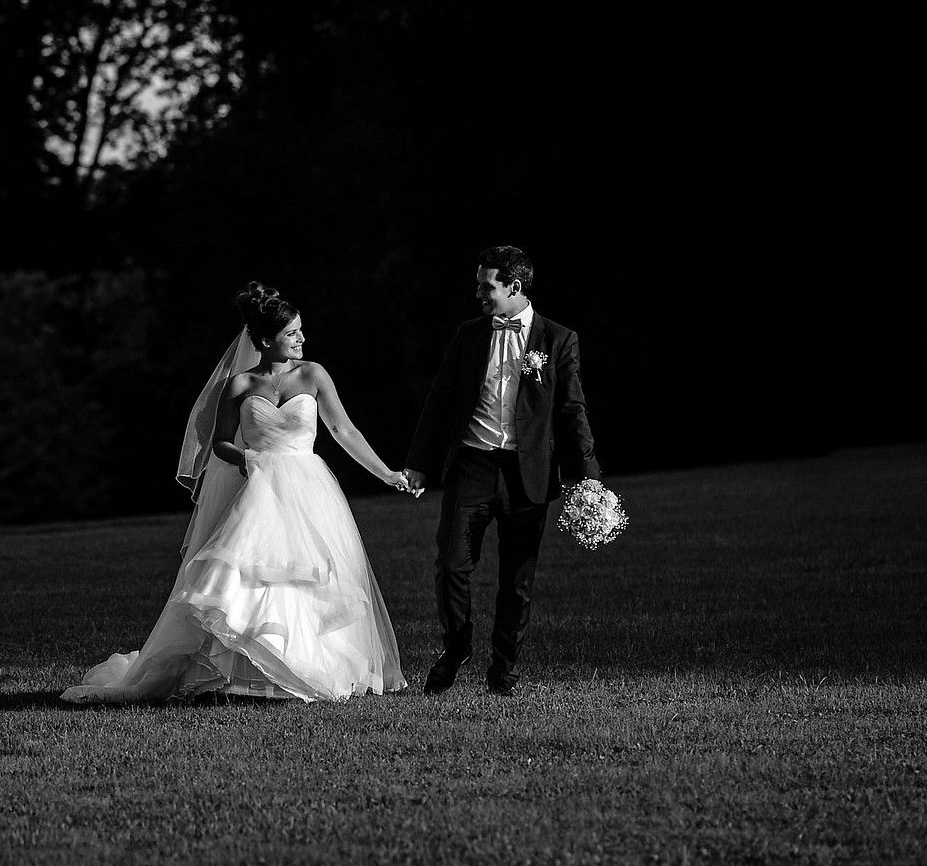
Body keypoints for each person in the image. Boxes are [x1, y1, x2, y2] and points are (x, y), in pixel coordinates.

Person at [63, 283, 413, 705]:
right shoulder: (240, 383)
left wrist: (386, 473)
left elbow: (343, 430)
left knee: (306, 573)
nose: (301, 338)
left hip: (308, 488)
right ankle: (239, 672)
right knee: (247, 572)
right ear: (264, 340)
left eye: (300, 330)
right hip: (259, 486)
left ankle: (304, 667)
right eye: (292, 333)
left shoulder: (313, 375)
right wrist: (246, 458)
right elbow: (220, 442)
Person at [404, 246, 602, 696]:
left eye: (486, 286)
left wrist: (588, 475)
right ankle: (457, 647)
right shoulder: (469, 334)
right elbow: (440, 398)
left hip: (526, 473)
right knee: (451, 565)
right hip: (471, 465)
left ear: (514, 287)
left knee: (517, 580)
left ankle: (504, 669)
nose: (478, 293)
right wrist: (418, 462)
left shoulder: (559, 339)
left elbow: (572, 409)